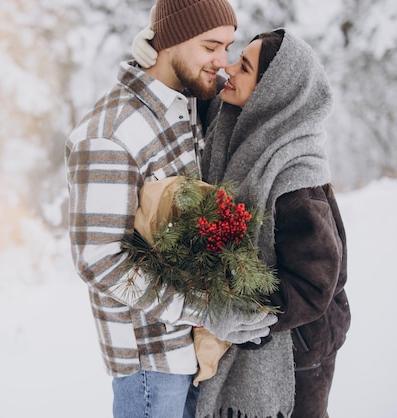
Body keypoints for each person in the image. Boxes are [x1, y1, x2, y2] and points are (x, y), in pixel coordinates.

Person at [65, 1, 279, 417]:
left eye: (228, 46)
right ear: (169, 42)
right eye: (210, 46)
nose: (222, 62)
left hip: (196, 356)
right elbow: (98, 260)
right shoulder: (106, 135)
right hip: (150, 364)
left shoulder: (185, 104)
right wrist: (206, 311)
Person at [133, 27, 351, 418]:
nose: (228, 68)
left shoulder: (297, 176)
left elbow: (315, 283)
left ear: (271, 92)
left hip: (297, 350)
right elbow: (185, 82)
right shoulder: (234, 121)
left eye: (243, 66)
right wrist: (154, 51)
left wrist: (242, 311)